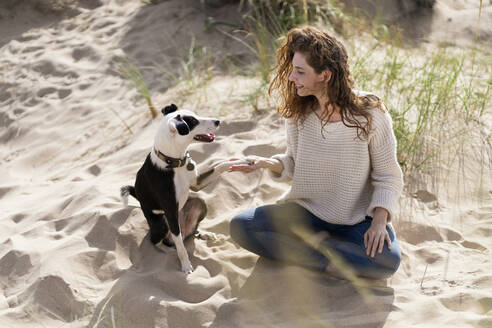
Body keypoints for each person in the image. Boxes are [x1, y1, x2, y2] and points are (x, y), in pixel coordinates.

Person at [228, 26, 403, 280]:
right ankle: (326, 261)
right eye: (292, 70)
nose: (291, 78)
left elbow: (388, 175)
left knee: (388, 261)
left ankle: (308, 250)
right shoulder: (300, 113)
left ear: (325, 75)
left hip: (356, 219)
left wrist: (378, 222)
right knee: (241, 226)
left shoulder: (371, 113)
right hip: (307, 212)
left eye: (300, 72)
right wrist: (265, 163)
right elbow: (294, 163)